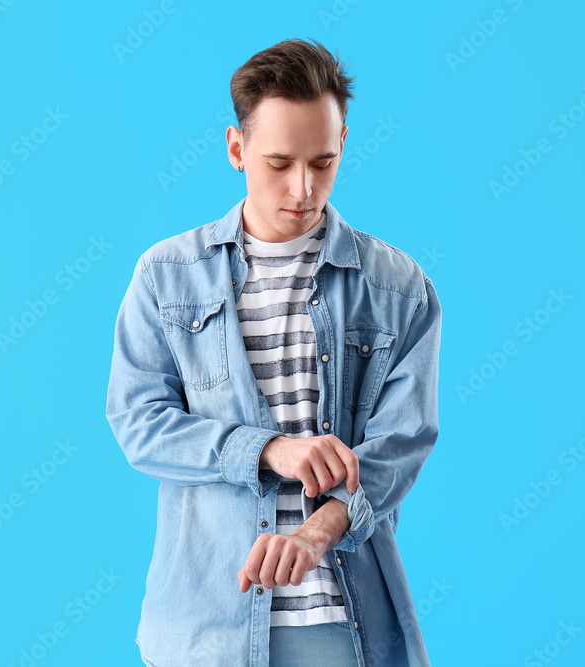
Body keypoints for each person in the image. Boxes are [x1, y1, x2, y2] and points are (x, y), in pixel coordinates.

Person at [106, 38, 441, 667]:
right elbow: (139, 423)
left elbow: (404, 441)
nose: (304, 187)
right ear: (237, 149)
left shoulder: (398, 288)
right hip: (207, 627)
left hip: (344, 626)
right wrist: (267, 450)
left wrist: (320, 529)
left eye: (324, 161)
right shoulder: (167, 276)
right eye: (280, 162)